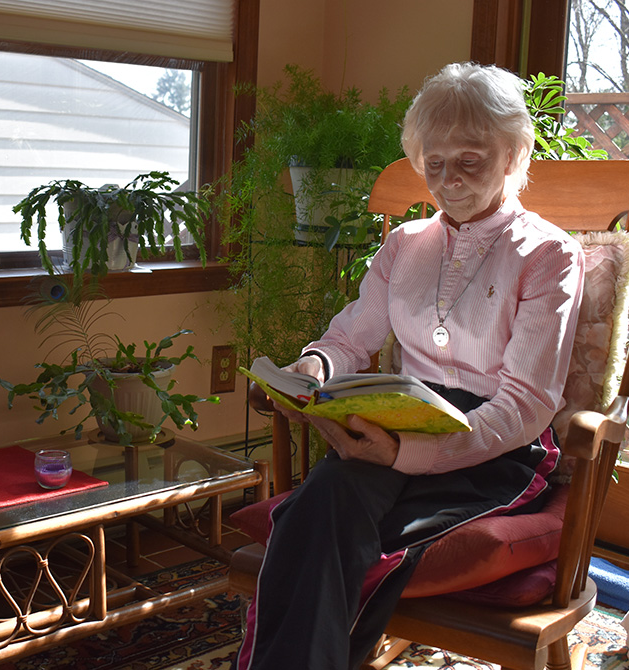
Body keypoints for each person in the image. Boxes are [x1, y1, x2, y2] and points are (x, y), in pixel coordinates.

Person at [237, 62, 586, 670]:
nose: (447, 180)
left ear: (514, 154)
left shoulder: (549, 254)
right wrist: (314, 367)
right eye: (433, 162)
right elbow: (353, 335)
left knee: (328, 522)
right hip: (399, 412)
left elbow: (528, 404)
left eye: (470, 161)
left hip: (493, 446)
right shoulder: (405, 244)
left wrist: (403, 454)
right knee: (328, 502)